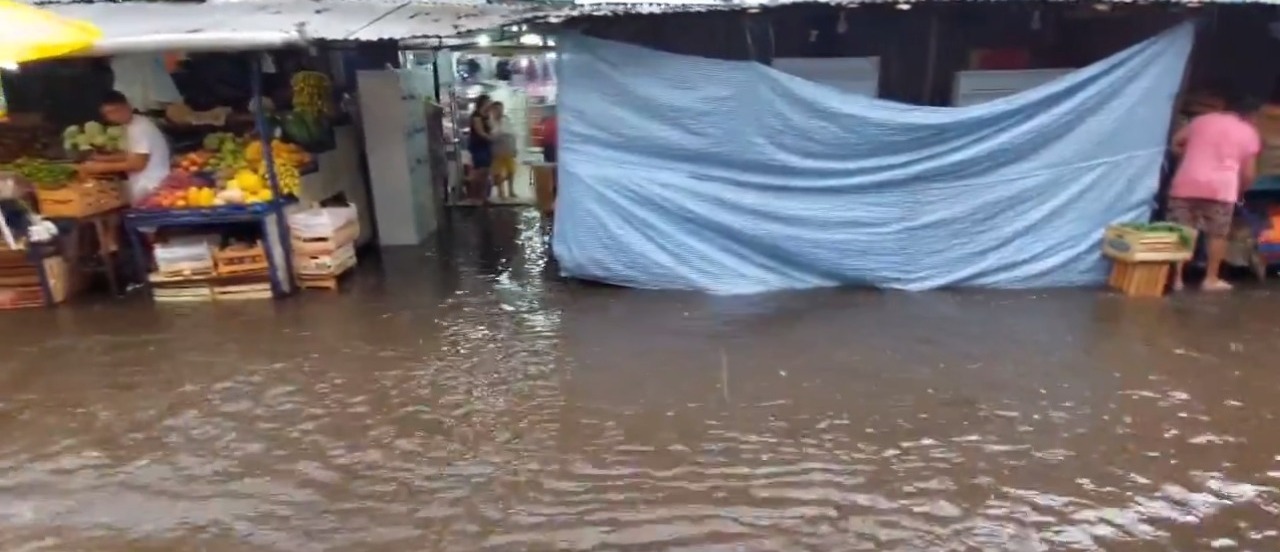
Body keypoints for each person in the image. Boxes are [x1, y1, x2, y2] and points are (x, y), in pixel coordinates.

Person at [1168, 86, 1261, 292]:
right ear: (1250, 114)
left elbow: (1175, 143)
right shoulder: (1249, 132)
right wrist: (1240, 191)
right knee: (1216, 234)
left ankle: (1176, 279)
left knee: (1181, 231)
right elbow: (1248, 173)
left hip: (1185, 183)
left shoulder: (1200, 121)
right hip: (1221, 189)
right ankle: (1210, 279)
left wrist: (1185, 158)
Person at [77, 90, 171, 205]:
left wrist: (99, 168)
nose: (114, 116)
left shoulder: (140, 128)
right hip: (146, 183)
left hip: (151, 186)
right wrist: (101, 158)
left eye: (116, 111)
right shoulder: (135, 123)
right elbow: (132, 154)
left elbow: (137, 164)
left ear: (128, 106)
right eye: (108, 114)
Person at [466, 94, 494, 203]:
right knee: (479, 171)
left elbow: (491, 128)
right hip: (478, 146)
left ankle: (482, 196)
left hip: (486, 145)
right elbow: (480, 132)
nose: (490, 104)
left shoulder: (486, 116)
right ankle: (474, 195)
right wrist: (491, 138)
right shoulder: (476, 116)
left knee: (485, 171)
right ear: (483, 103)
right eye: (488, 102)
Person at [489, 101, 517, 200]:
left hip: (508, 147)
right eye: (497, 109)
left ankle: (511, 190)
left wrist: (514, 148)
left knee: (511, 171)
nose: (500, 111)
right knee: (498, 172)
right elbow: (492, 135)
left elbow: (512, 134)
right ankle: (501, 192)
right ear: (493, 110)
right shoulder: (490, 121)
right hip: (497, 149)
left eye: (501, 108)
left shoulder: (506, 119)